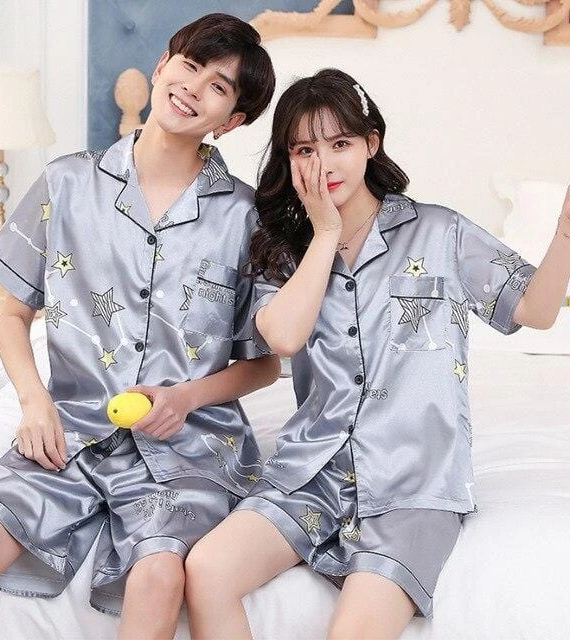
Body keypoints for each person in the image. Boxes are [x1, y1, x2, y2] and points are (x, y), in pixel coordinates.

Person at [185, 68, 570, 639]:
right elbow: (282, 339)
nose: (324, 164)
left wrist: (564, 234)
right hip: (310, 474)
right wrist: (323, 234)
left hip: (413, 487)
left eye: (340, 143)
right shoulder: (282, 250)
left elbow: (535, 311)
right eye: (305, 150)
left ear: (371, 143)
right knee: (206, 570)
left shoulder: (440, 231)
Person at [0, 13, 278, 640]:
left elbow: (265, 364)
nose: (192, 87)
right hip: (70, 429)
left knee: (158, 577)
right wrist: (33, 402)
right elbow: (11, 316)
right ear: (162, 65)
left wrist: (185, 398)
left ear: (231, 121)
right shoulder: (66, 182)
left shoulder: (245, 217)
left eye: (218, 87)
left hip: (189, 447)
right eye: (189, 65)